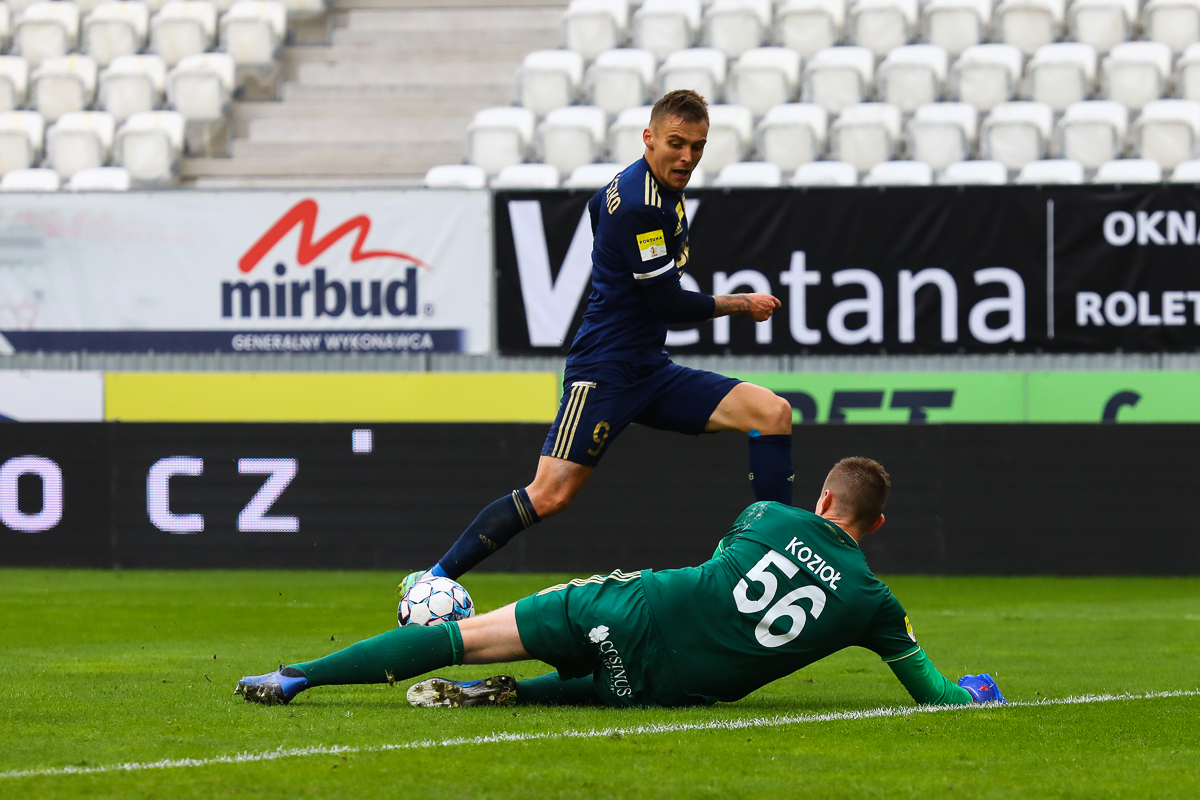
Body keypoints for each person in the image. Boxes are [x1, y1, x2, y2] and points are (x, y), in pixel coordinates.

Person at [397, 89, 795, 594]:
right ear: (648, 138)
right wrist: (741, 304)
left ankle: (778, 554)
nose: (688, 157)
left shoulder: (644, 185)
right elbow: (667, 303)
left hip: (650, 367)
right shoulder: (638, 205)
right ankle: (432, 580)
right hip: (604, 370)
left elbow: (594, 208)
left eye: (698, 145)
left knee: (772, 413)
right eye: (677, 143)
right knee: (550, 494)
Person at [237, 457, 1006, 709]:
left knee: (452, 637)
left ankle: (296, 675)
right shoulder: (876, 604)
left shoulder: (769, 514)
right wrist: (975, 691)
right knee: (626, 680)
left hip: (629, 605)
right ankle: (518, 694)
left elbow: (725, 563)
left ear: (827, 502)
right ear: (873, 527)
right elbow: (934, 695)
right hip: (667, 683)